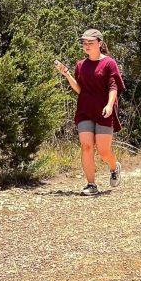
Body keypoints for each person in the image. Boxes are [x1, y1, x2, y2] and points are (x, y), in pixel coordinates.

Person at [55, 29, 125, 195]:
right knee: (86, 146)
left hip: (104, 111)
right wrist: (67, 75)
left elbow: (113, 87)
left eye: (90, 43)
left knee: (103, 150)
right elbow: (81, 90)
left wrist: (109, 105)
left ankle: (114, 167)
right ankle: (91, 185)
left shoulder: (109, 63)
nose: (86, 45)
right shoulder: (80, 65)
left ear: (100, 43)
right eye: (84, 43)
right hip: (85, 110)